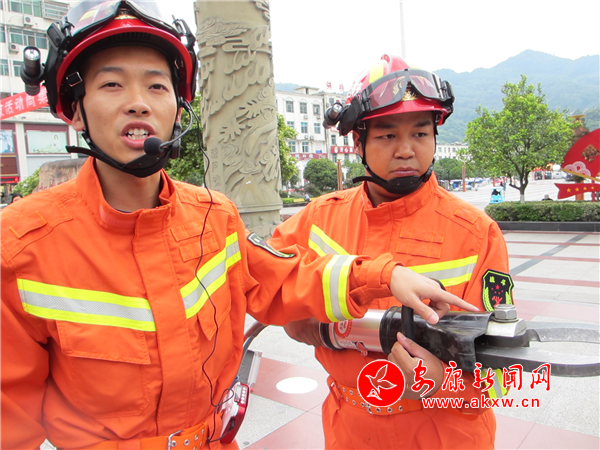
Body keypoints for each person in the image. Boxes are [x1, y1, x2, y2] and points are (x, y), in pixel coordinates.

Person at [0, 5, 474, 449]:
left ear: (178, 106)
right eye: (111, 84)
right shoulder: (22, 247)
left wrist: (387, 281)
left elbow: (283, 278)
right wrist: (336, 327)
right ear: (74, 107)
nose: (138, 103)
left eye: (157, 86)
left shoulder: (214, 218)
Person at [271, 55, 514, 449]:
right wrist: (303, 320)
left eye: (420, 133)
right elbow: (265, 286)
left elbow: (501, 371)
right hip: (348, 431)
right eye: (387, 136)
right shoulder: (317, 220)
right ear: (358, 142)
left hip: (444, 435)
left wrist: (442, 382)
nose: (405, 150)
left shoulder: (476, 233)